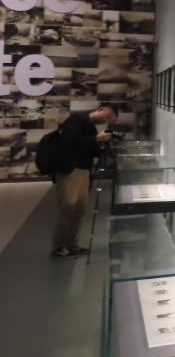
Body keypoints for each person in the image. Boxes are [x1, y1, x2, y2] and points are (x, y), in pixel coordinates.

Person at [50, 104, 118, 258]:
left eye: (109, 120)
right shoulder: (77, 120)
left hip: (83, 170)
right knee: (67, 208)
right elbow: (68, 142)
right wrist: (96, 138)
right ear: (101, 109)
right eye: (107, 117)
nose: (105, 121)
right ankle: (59, 246)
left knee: (79, 210)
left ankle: (71, 244)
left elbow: (89, 147)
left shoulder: (90, 125)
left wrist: (101, 144)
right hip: (69, 169)